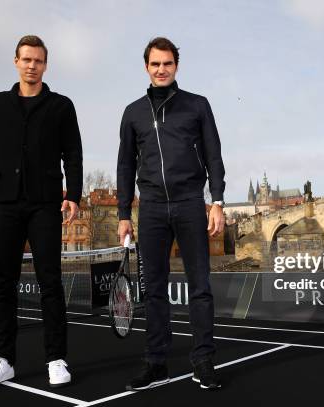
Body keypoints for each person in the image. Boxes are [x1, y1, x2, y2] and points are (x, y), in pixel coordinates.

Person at [0, 35, 82, 389]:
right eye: (26, 59)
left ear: (45, 65)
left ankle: (56, 360)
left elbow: (73, 155)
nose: (32, 65)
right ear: (16, 61)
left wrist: (73, 196)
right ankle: (3, 360)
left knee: (50, 283)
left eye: (38, 60)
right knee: (4, 283)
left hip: (45, 204)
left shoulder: (61, 106)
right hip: (4, 204)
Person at [117, 37, 225, 391]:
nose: (161, 69)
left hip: (190, 203)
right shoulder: (132, 113)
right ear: (146, 67)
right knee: (154, 290)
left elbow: (213, 155)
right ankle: (156, 362)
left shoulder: (197, 105)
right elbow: (124, 166)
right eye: (155, 64)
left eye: (167, 63)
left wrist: (218, 202)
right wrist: (122, 214)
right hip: (150, 209)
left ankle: (203, 361)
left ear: (176, 65)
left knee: (200, 287)